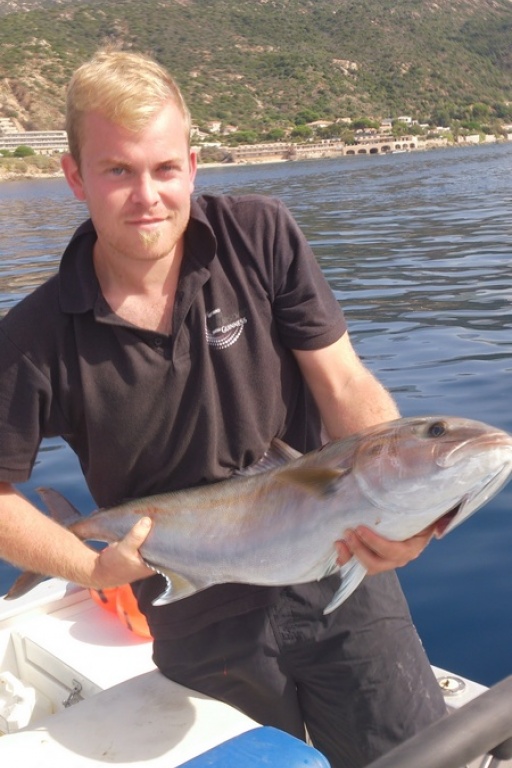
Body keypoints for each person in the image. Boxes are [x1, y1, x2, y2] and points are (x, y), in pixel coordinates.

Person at [0, 49, 446, 767]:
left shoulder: (260, 237)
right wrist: (89, 569)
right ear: (75, 176)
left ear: (193, 165)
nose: (147, 194)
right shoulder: (33, 337)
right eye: (118, 171)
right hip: (196, 617)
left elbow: (343, 385)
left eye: (165, 168)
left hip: (337, 573)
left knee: (421, 757)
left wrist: (404, 516)